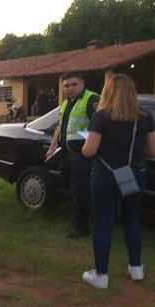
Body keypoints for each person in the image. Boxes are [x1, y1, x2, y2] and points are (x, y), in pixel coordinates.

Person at [80, 73, 155, 289]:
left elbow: (89, 151)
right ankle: (136, 268)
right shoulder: (145, 117)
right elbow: (154, 150)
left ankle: (101, 275)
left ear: (108, 92)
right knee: (132, 219)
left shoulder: (101, 116)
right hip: (135, 175)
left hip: (104, 175)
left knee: (104, 224)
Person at [45, 72, 99, 239]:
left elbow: (100, 126)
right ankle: (80, 221)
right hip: (69, 154)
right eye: (66, 86)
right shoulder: (65, 103)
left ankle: (82, 227)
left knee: (80, 191)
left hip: (85, 154)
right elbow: (60, 128)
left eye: (73, 84)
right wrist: (52, 147)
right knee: (75, 190)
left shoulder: (92, 99)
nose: (70, 88)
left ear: (82, 83)